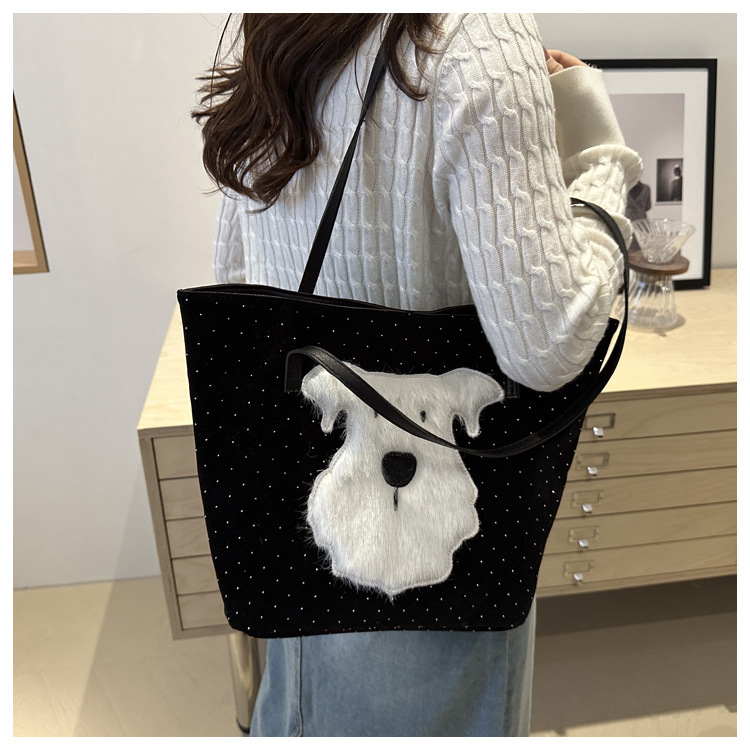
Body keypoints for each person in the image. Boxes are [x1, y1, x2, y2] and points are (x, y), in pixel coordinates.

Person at [193, 13, 642, 737]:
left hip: (306, 532)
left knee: (308, 706)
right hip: (440, 571)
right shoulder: (480, 34)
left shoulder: (282, 26)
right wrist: (597, 155)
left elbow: (239, 275)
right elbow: (550, 344)